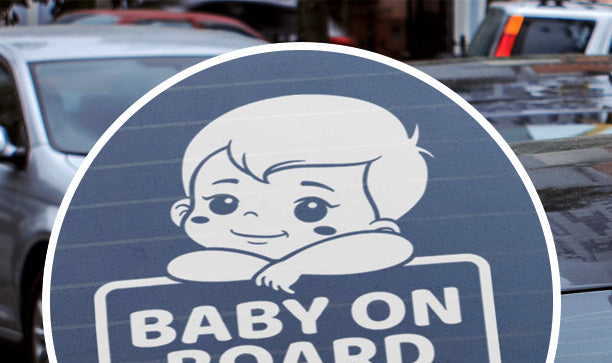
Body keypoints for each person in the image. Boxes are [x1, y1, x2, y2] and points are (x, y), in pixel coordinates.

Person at [167, 94, 429, 293]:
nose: (255, 219)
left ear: (379, 227)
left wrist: (295, 266)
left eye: (310, 209)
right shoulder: (217, 260)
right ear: (183, 212)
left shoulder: (377, 245)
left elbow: (390, 248)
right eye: (224, 203)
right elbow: (184, 267)